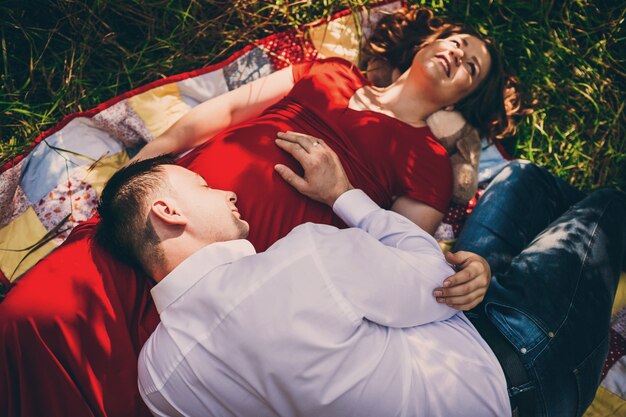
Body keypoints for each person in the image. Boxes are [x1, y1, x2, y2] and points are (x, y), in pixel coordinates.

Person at [0, 6, 517, 416]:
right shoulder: (329, 72)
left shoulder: (429, 161)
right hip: (157, 218)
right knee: (30, 315)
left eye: (472, 67)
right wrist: (137, 175)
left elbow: (400, 257)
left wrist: (455, 265)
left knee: (140, 387)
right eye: (457, 42)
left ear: (464, 98)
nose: (458, 55)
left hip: (237, 289)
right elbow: (223, 112)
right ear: (426, 42)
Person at [96, 135, 511, 417]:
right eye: (204, 187)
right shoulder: (305, 255)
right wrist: (343, 196)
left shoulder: (157, 380)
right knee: (525, 180)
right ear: (168, 212)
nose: (228, 193)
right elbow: (438, 278)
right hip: (501, 381)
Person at [450, 160, 626, 416]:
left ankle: (592, 236)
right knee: (610, 206)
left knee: (524, 177)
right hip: (520, 370)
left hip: (456, 318)